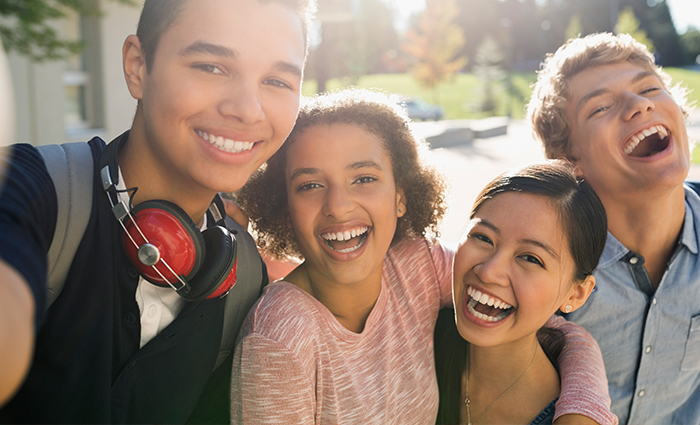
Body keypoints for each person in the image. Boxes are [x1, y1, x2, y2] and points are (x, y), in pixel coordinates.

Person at [0, 0, 315, 422]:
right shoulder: (26, 188)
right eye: (211, 67)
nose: (248, 109)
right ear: (137, 66)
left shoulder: (244, 277)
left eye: (276, 80)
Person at [231, 88, 614, 424]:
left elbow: (554, 323)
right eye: (310, 185)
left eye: (363, 178)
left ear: (401, 197)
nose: (338, 206)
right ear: (285, 206)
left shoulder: (417, 266)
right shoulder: (280, 338)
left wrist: (583, 410)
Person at [527, 32, 699, 424]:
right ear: (571, 160)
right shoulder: (546, 266)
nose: (640, 105)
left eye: (650, 88)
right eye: (601, 106)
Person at [434, 161, 614, 425]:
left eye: (530, 258)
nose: (489, 272)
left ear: (575, 294)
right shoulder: (415, 336)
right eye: (483, 237)